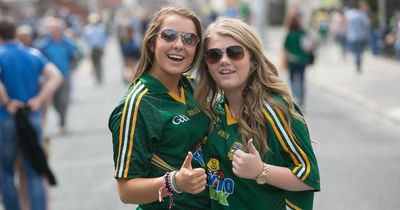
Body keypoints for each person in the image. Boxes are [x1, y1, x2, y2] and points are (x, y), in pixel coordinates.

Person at [195, 17, 320, 210]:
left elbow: (308, 178)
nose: (224, 61)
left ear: (253, 60)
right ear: (207, 65)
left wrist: (260, 170)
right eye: (214, 55)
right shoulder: (215, 110)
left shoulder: (274, 109)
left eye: (235, 52)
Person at [108, 6, 209, 210]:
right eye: (169, 35)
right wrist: (176, 183)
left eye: (189, 39)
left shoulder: (193, 87)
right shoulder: (137, 104)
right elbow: (127, 190)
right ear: (153, 43)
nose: (179, 45)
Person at [0, 18, 62, 210]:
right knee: (35, 169)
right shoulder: (32, 53)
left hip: (6, 117)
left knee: (6, 171)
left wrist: (7, 101)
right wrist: (39, 99)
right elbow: (56, 76)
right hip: (31, 115)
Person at [283, 9, 315, 108]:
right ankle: (301, 99)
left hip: (291, 60)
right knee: (301, 79)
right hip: (302, 60)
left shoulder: (289, 34)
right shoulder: (303, 32)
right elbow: (310, 44)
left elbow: (285, 48)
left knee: (292, 79)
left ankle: (295, 98)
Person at [83, 13, 107, 85]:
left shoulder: (101, 28)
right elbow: (85, 40)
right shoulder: (87, 29)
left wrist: (104, 47)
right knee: (93, 64)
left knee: (99, 63)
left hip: (99, 48)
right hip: (92, 48)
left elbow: (104, 39)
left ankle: (100, 77)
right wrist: (87, 50)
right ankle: (95, 78)